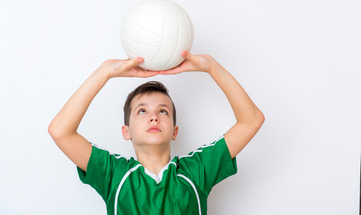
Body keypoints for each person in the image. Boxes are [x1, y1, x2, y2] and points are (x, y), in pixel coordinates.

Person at [48, 51, 265, 215]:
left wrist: (212, 67)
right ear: (127, 131)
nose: (154, 117)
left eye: (163, 111)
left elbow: (251, 120)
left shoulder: (196, 171)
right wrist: (105, 72)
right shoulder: (113, 174)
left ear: (174, 131)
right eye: (142, 111)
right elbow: (60, 131)